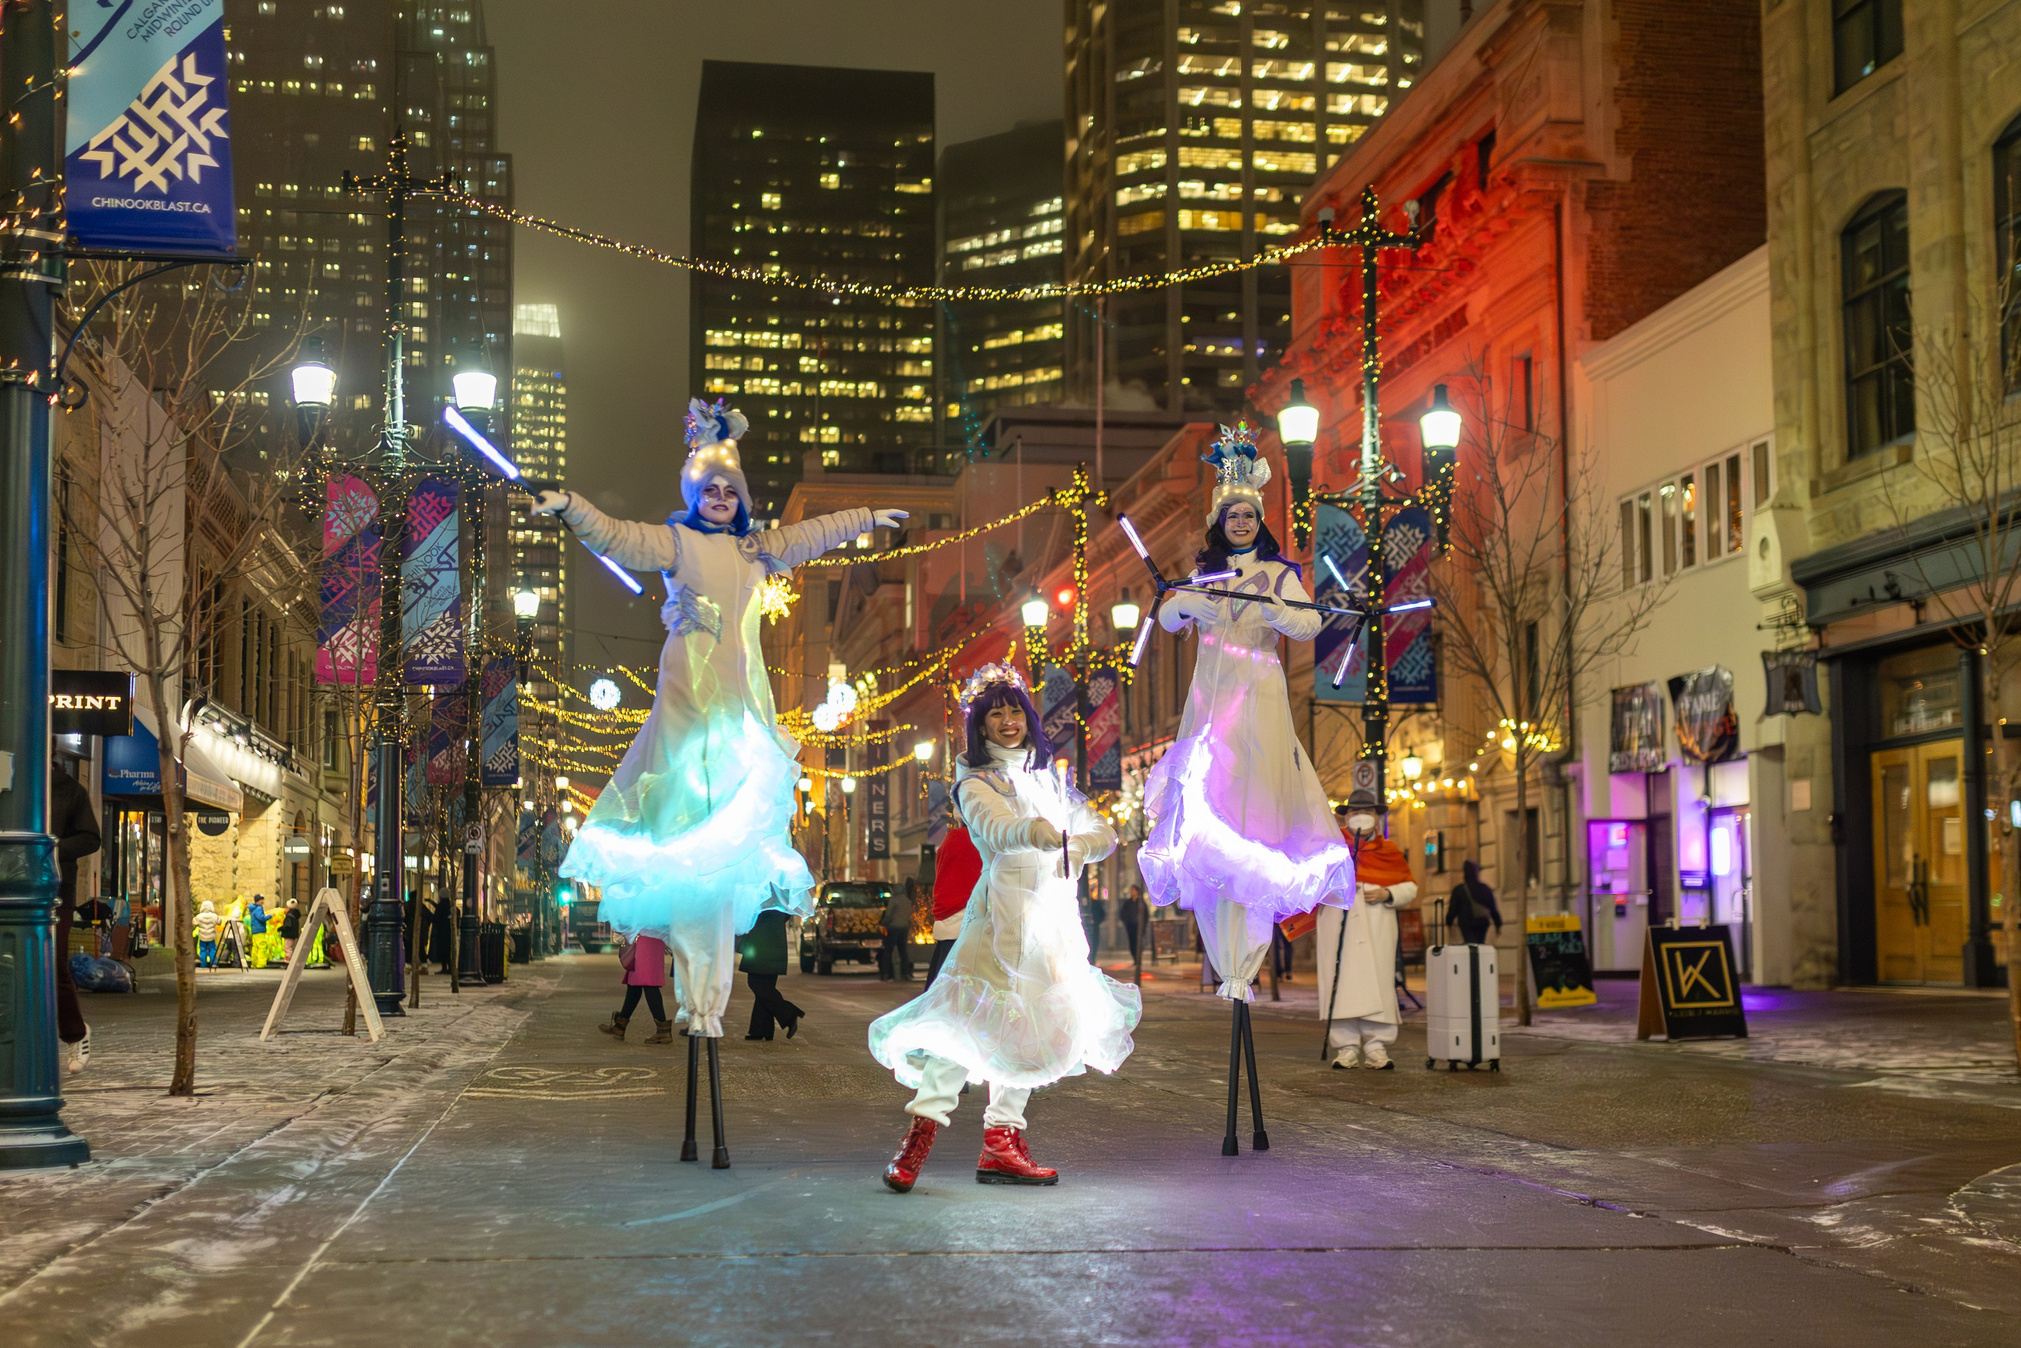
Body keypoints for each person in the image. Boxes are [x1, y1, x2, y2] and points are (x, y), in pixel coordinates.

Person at [532, 398, 907, 1044]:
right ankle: (693, 991)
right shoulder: (675, 543)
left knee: (727, 850)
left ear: (740, 498)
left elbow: (812, 535)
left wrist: (867, 517)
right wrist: (571, 506)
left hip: (739, 703)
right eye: (707, 489)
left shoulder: (759, 551)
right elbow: (617, 535)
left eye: (728, 490)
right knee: (682, 818)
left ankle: (708, 1001)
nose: (718, 499)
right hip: (686, 696)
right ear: (692, 494)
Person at [869, 665, 1140, 1192]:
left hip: (1051, 922)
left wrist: (1083, 844)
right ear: (981, 726)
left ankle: (1003, 1144)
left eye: (1015, 710)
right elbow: (994, 827)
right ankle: (918, 1137)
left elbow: (1103, 830)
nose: (1008, 721)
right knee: (962, 1024)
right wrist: (1037, 832)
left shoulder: (1046, 779)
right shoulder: (975, 781)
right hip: (998, 919)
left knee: (1031, 1032)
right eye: (996, 713)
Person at [1138, 422, 1354, 1001]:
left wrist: (1277, 609)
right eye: (1232, 514)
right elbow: (1168, 617)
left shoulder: (1280, 574)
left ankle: (1247, 964)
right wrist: (1191, 604)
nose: (1241, 522)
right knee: (1212, 808)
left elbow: (1309, 623)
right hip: (1211, 705)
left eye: (1249, 515)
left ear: (1260, 521)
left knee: (1257, 814)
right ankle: (1226, 959)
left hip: (1258, 698)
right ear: (1218, 521)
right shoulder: (1205, 571)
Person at [1315, 793, 1419, 1070]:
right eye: (1355, 811)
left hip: (1378, 925)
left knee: (1378, 979)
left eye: (1367, 810)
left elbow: (1410, 887)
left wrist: (1387, 893)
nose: (1361, 815)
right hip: (1339, 923)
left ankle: (1377, 1045)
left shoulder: (1389, 851)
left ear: (1377, 816)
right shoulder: (1331, 848)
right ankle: (1345, 1046)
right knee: (1342, 980)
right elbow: (1313, 881)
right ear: (1345, 816)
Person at [51, 765, 101, 1074]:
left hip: (55, 886)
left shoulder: (68, 788)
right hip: (9, 882)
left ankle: (75, 1033)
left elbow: (90, 837)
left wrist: (51, 850)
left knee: (52, 962)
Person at [926, 823, 982, 988]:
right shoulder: (977, 839)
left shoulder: (953, 838)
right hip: (970, 917)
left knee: (942, 988)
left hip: (950, 920)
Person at [739, 911, 804, 1040]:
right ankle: (761, 1029)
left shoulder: (763, 892)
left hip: (763, 940)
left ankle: (788, 1014)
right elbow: (786, 913)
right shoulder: (780, 892)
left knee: (757, 983)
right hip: (772, 937)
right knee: (765, 984)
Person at [602, 933, 674, 1043]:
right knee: (635, 983)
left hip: (647, 938)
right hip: (651, 938)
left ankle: (663, 1030)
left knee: (648, 982)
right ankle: (620, 1027)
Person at [1446, 860, 1504, 947]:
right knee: (1480, 944)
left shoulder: (1459, 890)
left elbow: (1453, 908)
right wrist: (1498, 924)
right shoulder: (1485, 889)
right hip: (1482, 923)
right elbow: (1493, 908)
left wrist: (1449, 921)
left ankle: (1473, 959)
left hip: (1466, 922)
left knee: (1470, 944)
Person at [879, 881, 916, 982]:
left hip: (893, 928)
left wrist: (883, 923)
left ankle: (886, 974)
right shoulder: (908, 901)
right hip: (904, 929)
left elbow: (889, 915)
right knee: (903, 952)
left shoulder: (894, 900)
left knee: (888, 951)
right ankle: (906, 973)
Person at [1118, 884, 1148, 974]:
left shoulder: (1141, 902)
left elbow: (1145, 915)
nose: (1132, 892)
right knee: (1132, 943)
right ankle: (1135, 958)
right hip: (1130, 925)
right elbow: (1123, 913)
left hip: (1139, 926)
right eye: (1132, 890)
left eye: (1134, 890)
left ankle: (1138, 959)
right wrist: (1126, 921)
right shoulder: (1128, 903)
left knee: (1138, 943)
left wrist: (1143, 925)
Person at [195, 899, 220, 969]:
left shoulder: (199, 916)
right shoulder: (214, 916)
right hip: (211, 936)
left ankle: (203, 964)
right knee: (212, 949)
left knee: (202, 950)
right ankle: (213, 963)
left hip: (202, 936)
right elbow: (219, 922)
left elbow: (194, 922)